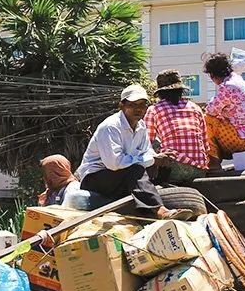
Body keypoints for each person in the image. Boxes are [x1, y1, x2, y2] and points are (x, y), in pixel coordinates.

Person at [77, 84, 193, 219]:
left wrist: (157, 158)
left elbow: (146, 152)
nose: (138, 109)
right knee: (136, 170)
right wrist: (153, 159)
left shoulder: (141, 126)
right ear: (122, 106)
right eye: (133, 105)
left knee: (159, 168)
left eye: (143, 105)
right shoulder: (111, 127)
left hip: (118, 176)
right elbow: (114, 164)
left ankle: (150, 205)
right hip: (95, 178)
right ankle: (160, 210)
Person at [143, 69, 211, 184]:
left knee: (152, 144)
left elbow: (145, 142)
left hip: (172, 168)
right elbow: (205, 144)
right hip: (199, 169)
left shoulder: (154, 109)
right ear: (181, 90)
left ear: (160, 93)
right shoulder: (195, 108)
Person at [203, 50, 245, 161]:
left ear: (213, 75)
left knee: (205, 119)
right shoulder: (244, 83)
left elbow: (211, 111)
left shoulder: (228, 86)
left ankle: (213, 161)